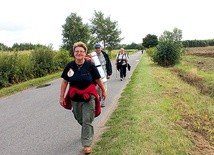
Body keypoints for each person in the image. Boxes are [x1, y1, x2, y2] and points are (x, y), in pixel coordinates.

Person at [59, 41, 106, 154]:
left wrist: (103, 90)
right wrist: (61, 97)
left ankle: (86, 144)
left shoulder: (90, 65)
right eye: (77, 51)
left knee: (86, 120)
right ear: (74, 53)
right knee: (79, 117)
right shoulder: (69, 66)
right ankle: (87, 129)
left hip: (89, 96)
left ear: (85, 53)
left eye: (81, 51)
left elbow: (97, 79)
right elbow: (65, 82)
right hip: (75, 97)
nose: (79, 53)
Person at [93, 43, 112, 107]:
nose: (98, 49)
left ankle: (103, 102)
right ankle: (99, 98)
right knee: (97, 89)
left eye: (99, 48)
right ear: (95, 49)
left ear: (101, 48)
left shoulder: (105, 55)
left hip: (104, 75)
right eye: (96, 48)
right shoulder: (92, 56)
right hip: (95, 77)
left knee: (104, 89)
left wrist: (109, 73)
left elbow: (108, 64)